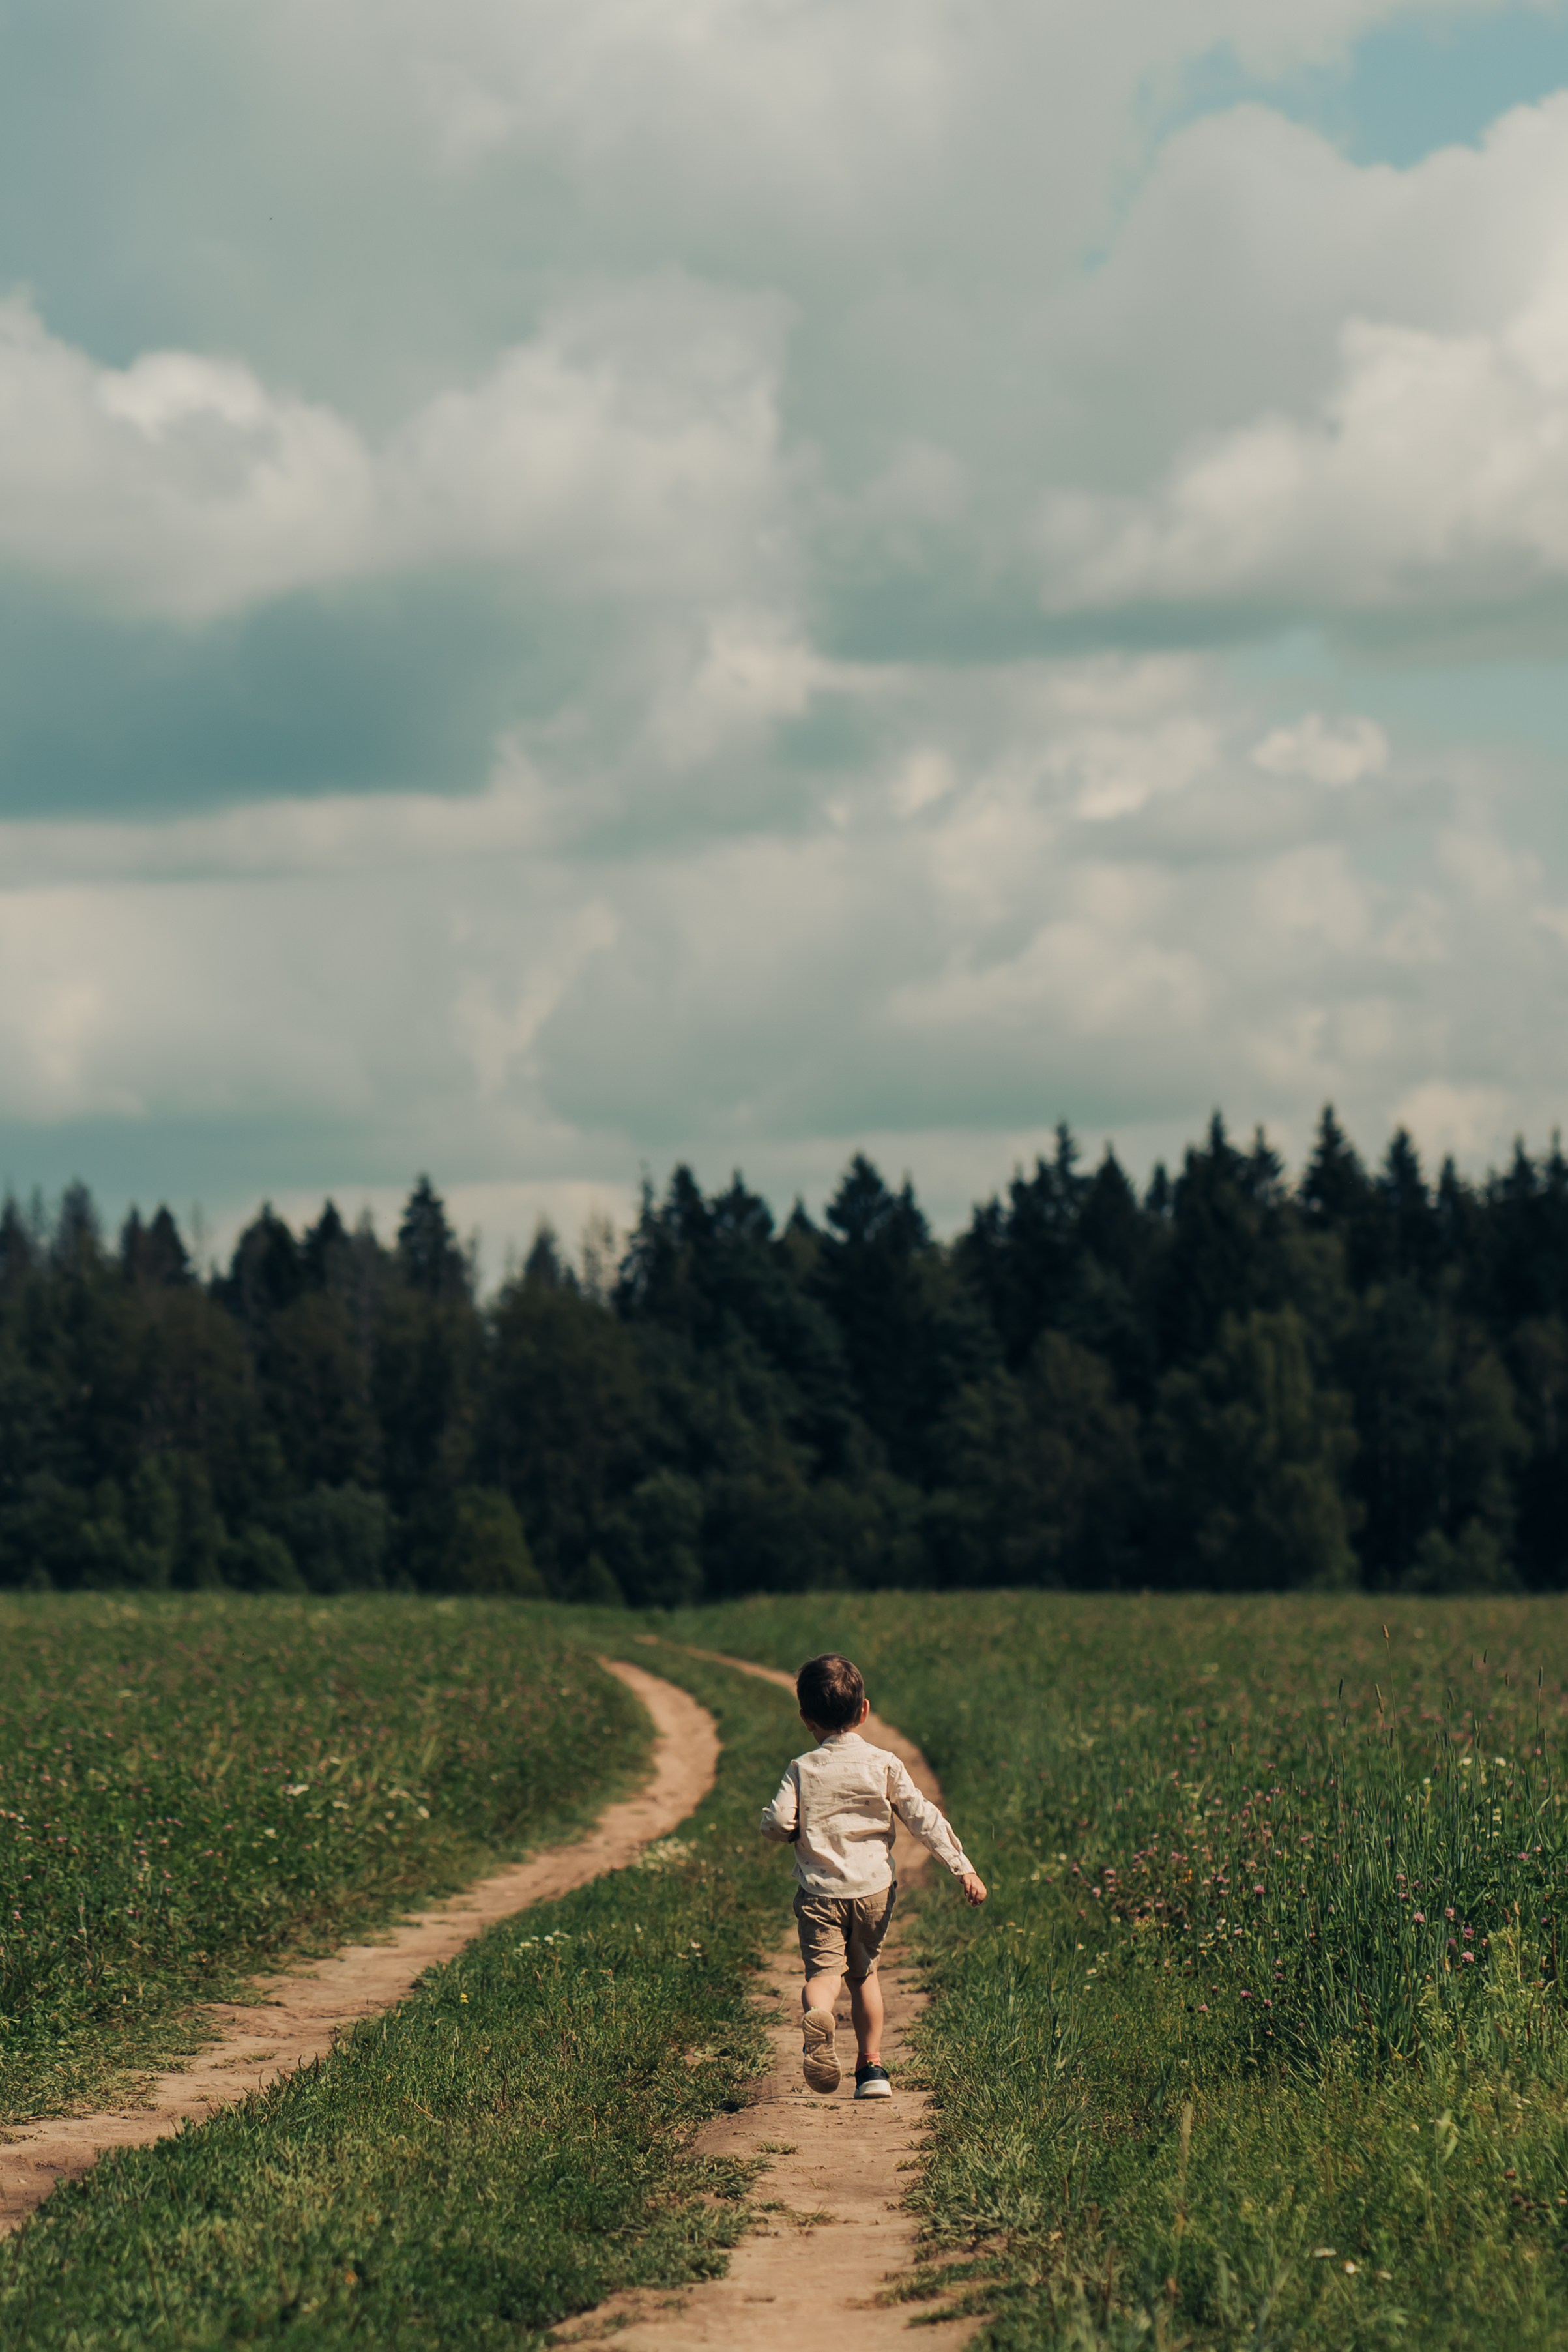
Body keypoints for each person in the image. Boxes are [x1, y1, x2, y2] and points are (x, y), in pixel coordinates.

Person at [759, 1650, 987, 2099]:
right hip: (873, 1891)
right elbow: (923, 1818)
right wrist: (963, 1867)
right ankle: (872, 2070)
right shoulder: (884, 1764)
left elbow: (778, 1823)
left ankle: (819, 2016)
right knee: (864, 1977)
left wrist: (787, 1829)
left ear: (806, 1718)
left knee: (824, 1976)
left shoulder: (802, 1769)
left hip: (820, 1892)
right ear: (864, 1711)